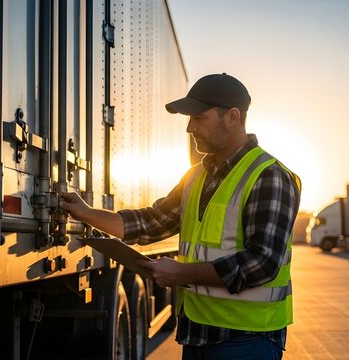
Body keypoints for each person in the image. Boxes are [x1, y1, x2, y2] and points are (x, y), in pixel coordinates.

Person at [60, 73, 301, 359]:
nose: (189, 128)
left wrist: (181, 273)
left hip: (247, 342)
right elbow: (151, 221)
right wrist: (86, 214)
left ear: (232, 117)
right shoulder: (197, 175)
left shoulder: (269, 176)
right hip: (198, 335)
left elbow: (262, 263)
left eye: (199, 118)